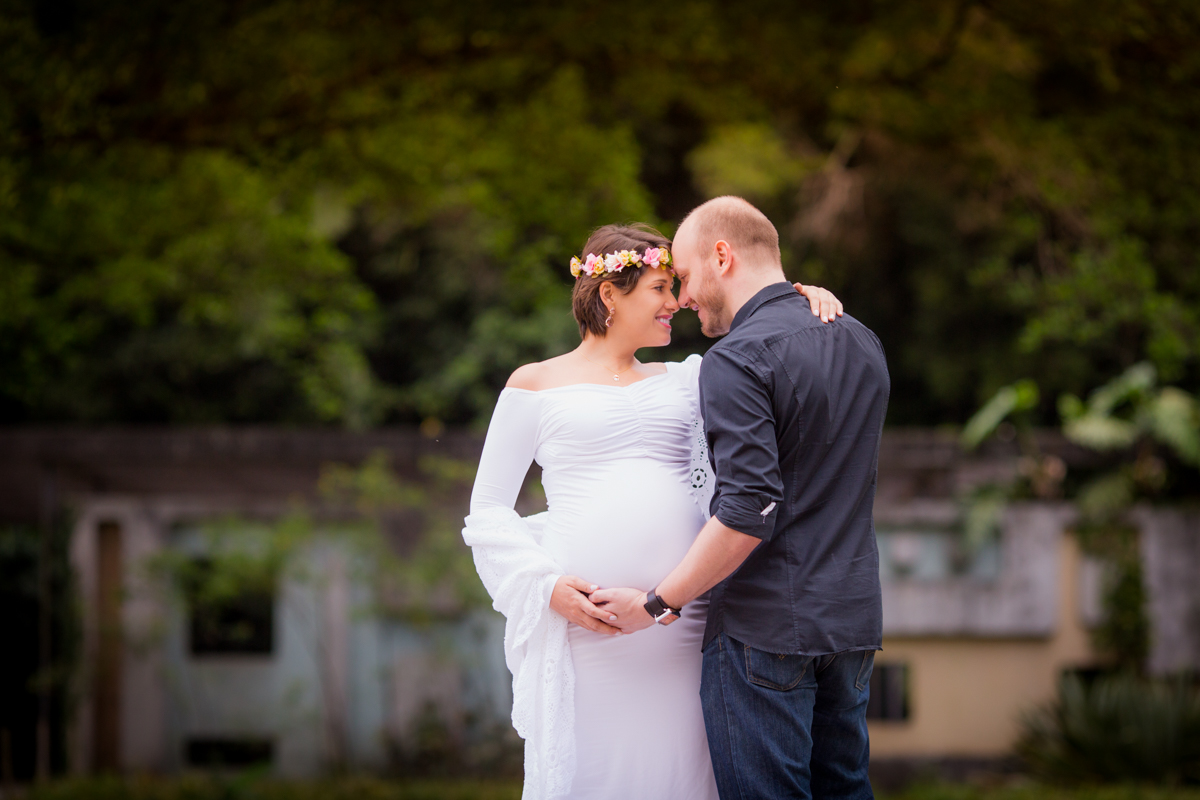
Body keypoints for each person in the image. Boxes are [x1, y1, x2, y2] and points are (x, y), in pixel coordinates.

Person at [462, 222, 843, 800]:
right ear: (610, 293)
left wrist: (802, 299)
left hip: (684, 620)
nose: (677, 303)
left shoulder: (693, 378)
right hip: (589, 626)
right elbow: (487, 512)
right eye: (662, 289)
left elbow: (772, 376)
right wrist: (546, 588)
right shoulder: (533, 384)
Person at [594, 197, 890, 800]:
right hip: (852, 624)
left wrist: (654, 604)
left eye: (682, 276)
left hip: (766, 629)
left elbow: (748, 510)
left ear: (721, 256)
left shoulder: (736, 360)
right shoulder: (861, 340)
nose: (680, 298)